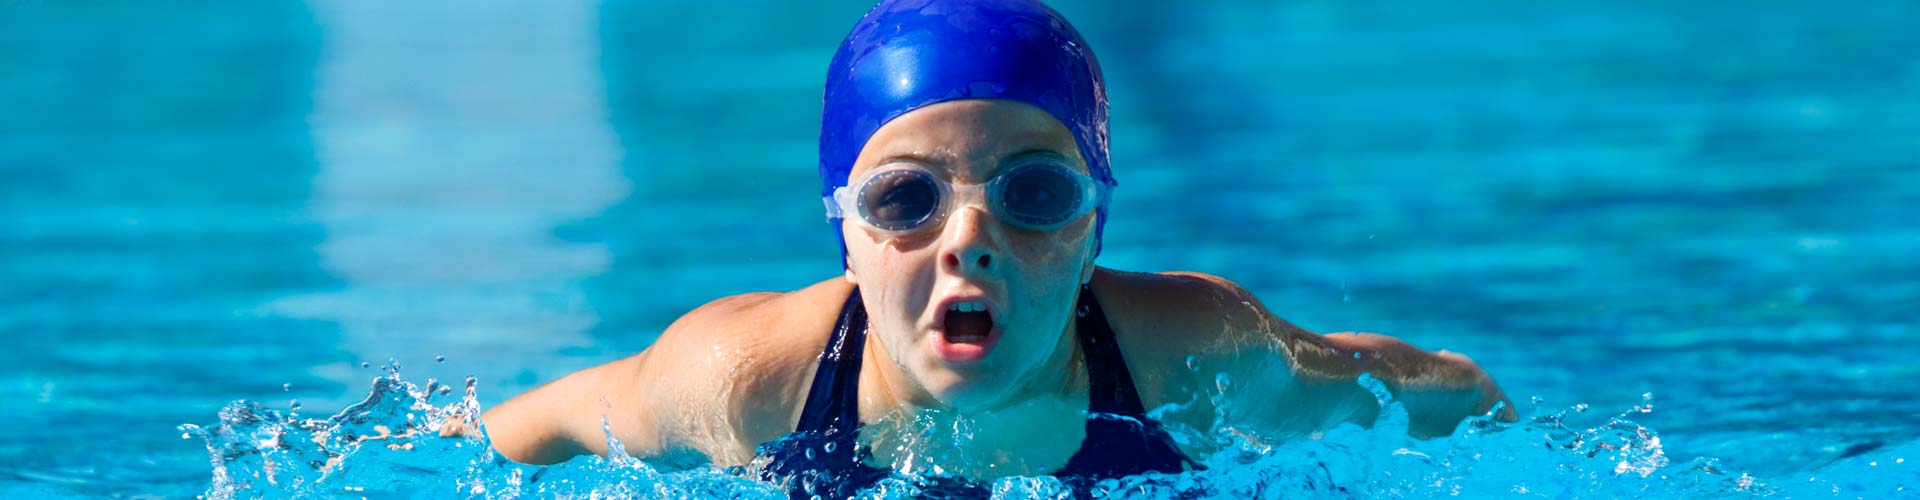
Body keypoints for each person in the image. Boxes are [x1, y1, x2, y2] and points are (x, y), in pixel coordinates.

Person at [461, 0, 1513, 495]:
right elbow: (520, 432)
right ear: (846, 236)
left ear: (1094, 226)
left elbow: (1444, 390)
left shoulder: (1196, 352)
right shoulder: (743, 382)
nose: (971, 237)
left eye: (1035, 191)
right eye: (907, 197)